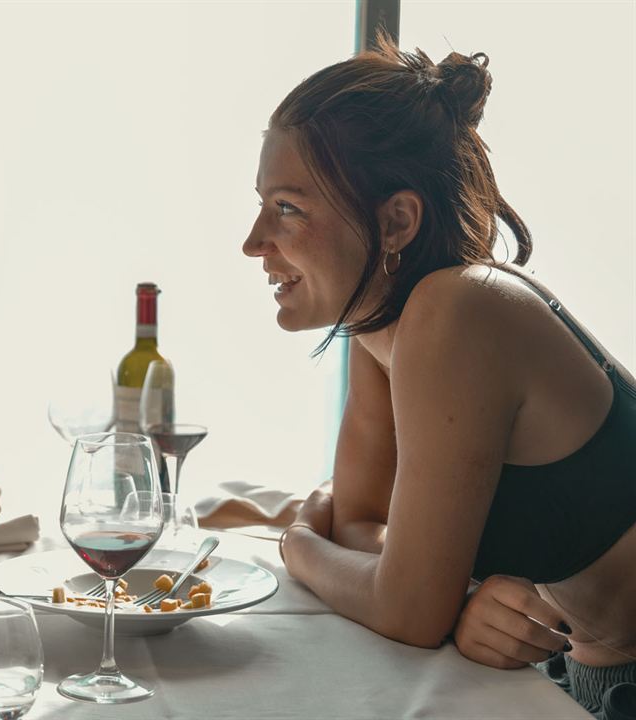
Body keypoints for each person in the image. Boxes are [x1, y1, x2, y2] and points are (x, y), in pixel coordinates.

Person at [242, 36, 636, 717]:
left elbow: (403, 606)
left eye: (287, 208)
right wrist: (452, 595)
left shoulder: (456, 310)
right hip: (586, 672)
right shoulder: (384, 327)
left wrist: (297, 546)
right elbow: (364, 523)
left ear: (396, 220)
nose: (253, 241)